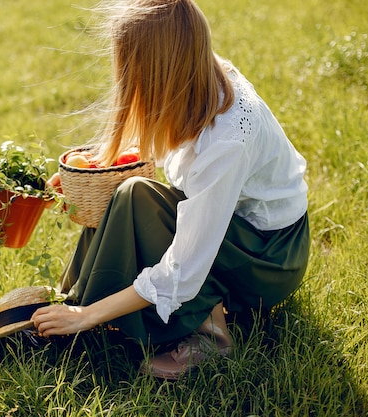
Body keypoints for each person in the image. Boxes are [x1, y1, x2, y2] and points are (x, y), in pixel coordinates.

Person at [31, 0, 310, 379]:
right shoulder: (195, 77)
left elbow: (184, 268)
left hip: (268, 255)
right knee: (132, 194)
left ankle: (211, 334)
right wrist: (94, 167)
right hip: (236, 230)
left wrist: (88, 316)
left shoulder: (228, 139)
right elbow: (157, 133)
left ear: (159, 71)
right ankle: (74, 297)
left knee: (138, 200)